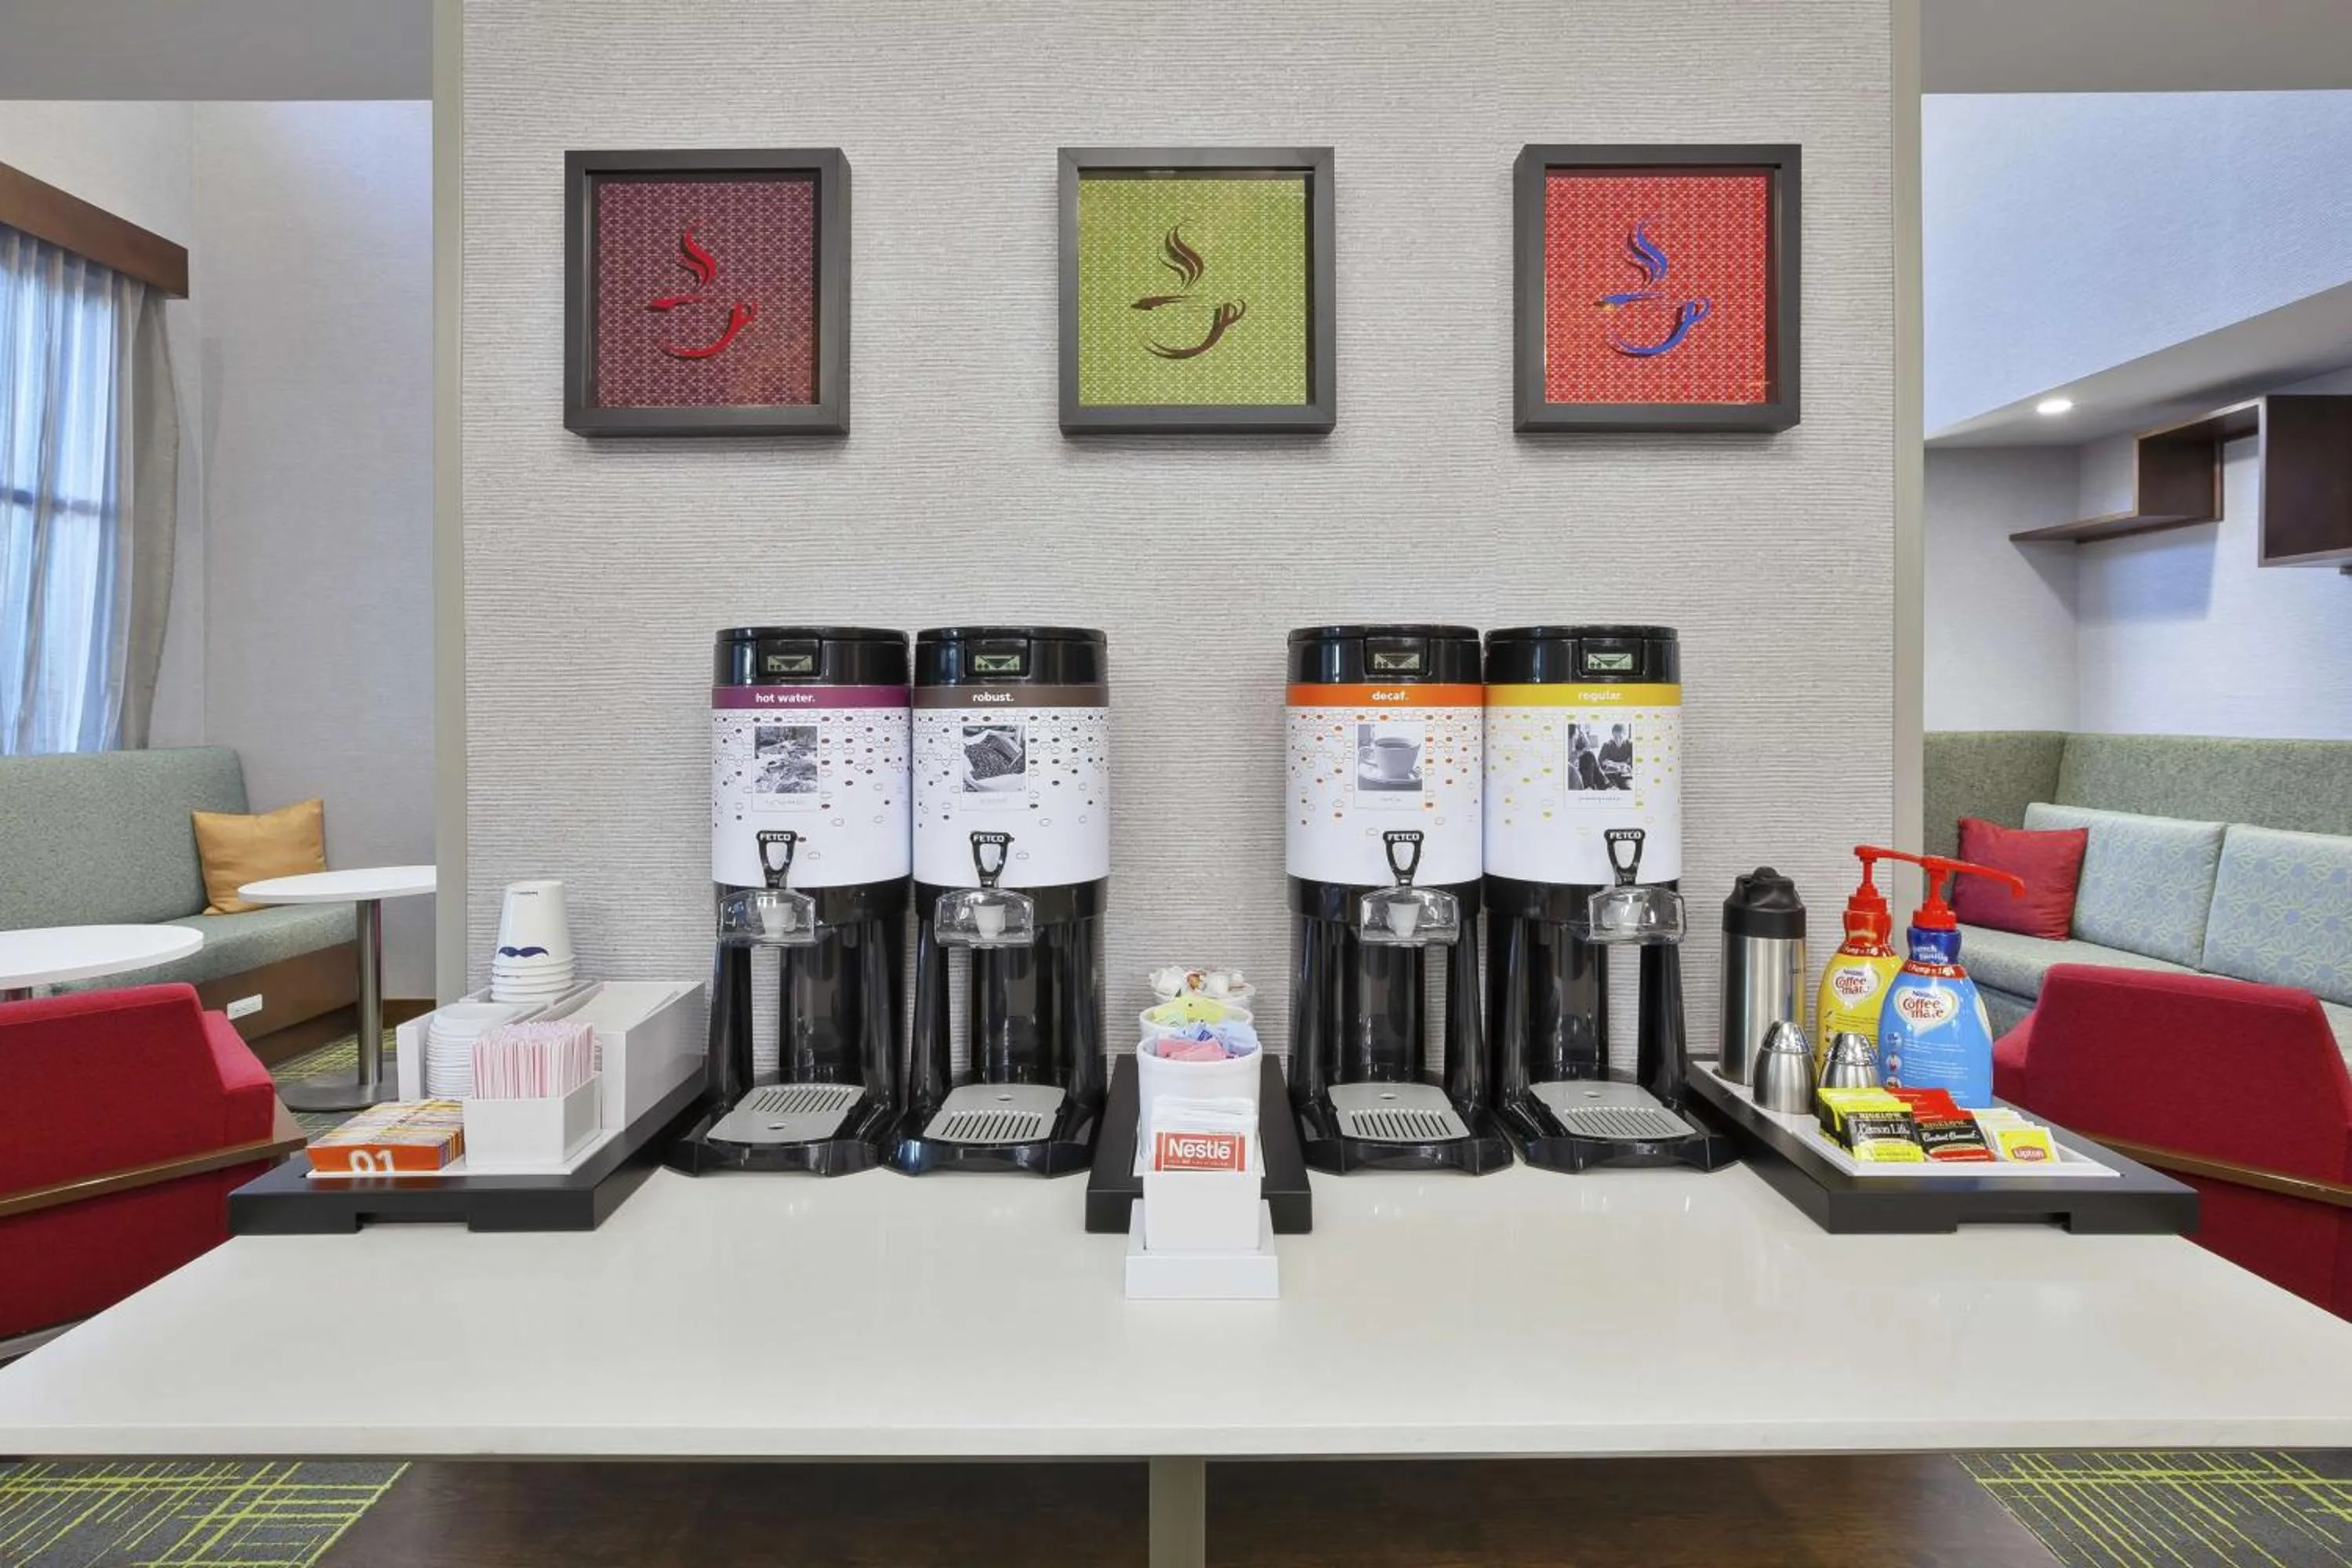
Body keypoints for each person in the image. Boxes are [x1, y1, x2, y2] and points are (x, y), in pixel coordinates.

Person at [1599, 724, 1634, 789]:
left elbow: (1633, 762)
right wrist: (1613, 765)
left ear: (1625, 735)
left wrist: (1627, 766)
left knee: (1628, 788)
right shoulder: (1607, 745)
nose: (1618, 740)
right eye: (1615, 737)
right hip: (1610, 776)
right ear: (1612, 735)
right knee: (1610, 790)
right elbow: (1601, 761)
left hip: (1625, 775)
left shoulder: (1630, 745)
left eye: (1620, 737)